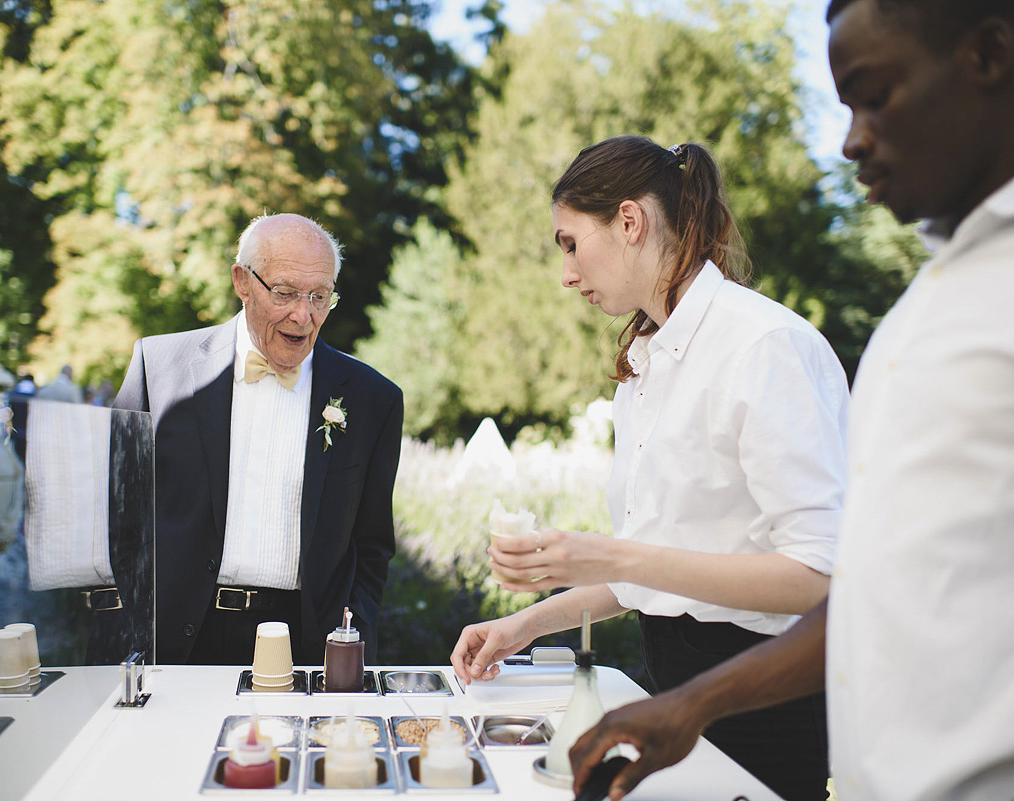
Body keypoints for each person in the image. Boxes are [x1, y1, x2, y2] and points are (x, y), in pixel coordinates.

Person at [568, 3, 1014, 800]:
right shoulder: (931, 299)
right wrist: (687, 702)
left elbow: (819, 570)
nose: (850, 140)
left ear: (989, 57)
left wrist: (695, 688)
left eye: (874, 95)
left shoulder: (768, 343)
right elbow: (872, 590)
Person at [450, 136, 849, 800]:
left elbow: (821, 577)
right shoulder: (642, 363)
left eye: (571, 243)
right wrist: (524, 625)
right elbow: (664, 570)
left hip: (764, 707)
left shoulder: (765, 347)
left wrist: (612, 555)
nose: (567, 273)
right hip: (667, 689)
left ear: (629, 222)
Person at [112, 213, 403, 666]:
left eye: (320, 296)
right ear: (242, 282)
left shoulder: (373, 399)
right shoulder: (158, 367)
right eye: (285, 292)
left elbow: (373, 545)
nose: (302, 315)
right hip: (175, 639)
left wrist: (352, 633)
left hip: (305, 643)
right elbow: (119, 514)